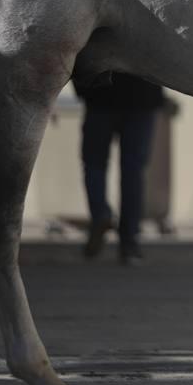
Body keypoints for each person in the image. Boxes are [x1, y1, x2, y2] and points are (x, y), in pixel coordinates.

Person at [75, 73, 167, 265]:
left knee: (94, 165)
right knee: (133, 171)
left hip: (100, 93)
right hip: (141, 95)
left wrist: (83, 89)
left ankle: (100, 213)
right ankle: (129, 242)